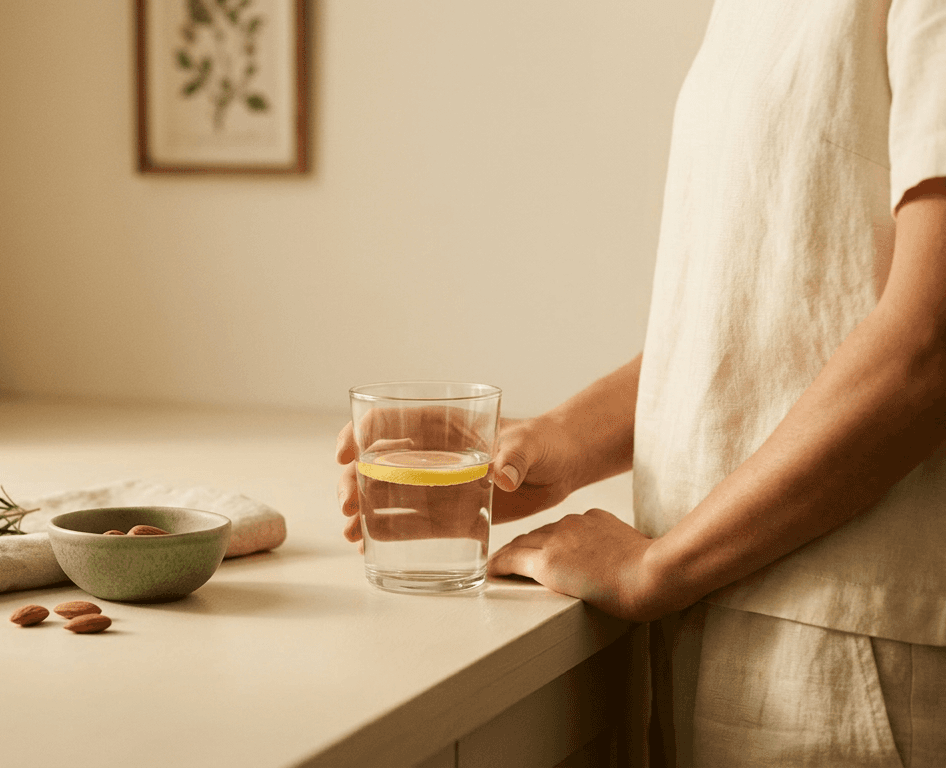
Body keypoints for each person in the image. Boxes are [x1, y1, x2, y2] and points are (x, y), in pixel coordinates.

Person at [337, 1, 946, 764]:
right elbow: (774, 318)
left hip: (845, 644)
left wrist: (657, 567)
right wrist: (557, 441)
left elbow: (931, 340)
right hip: (733, 606)